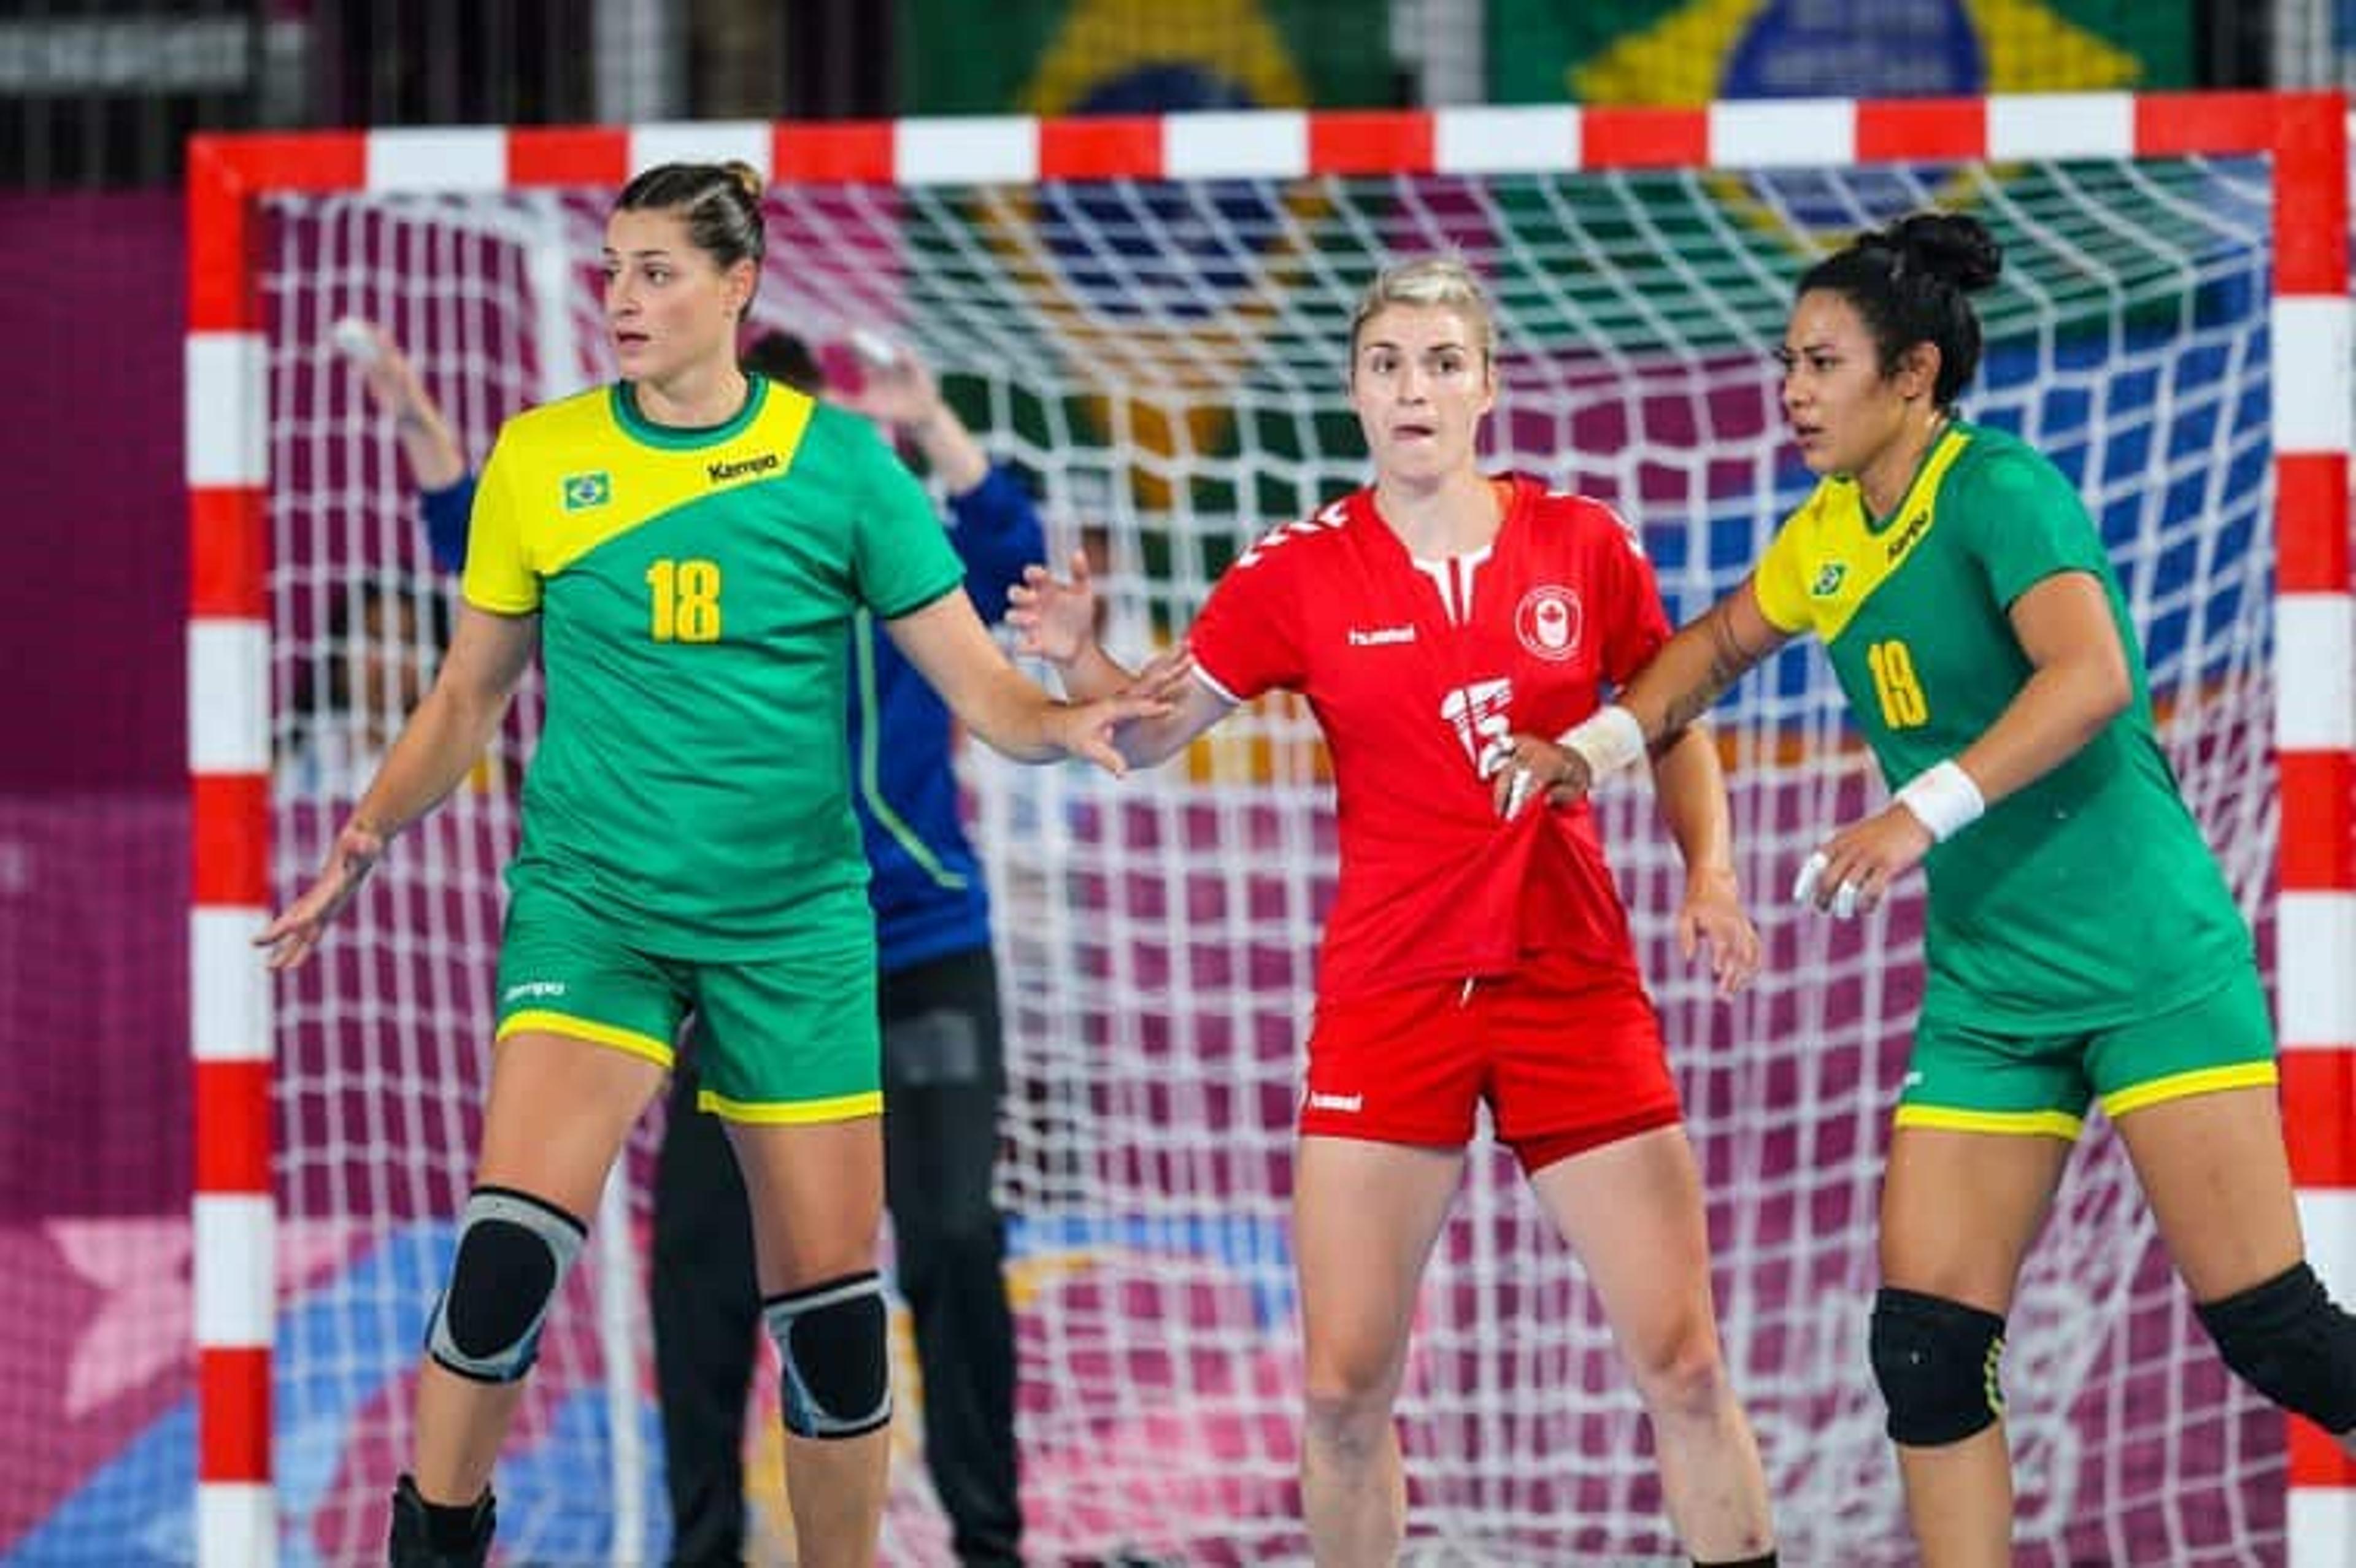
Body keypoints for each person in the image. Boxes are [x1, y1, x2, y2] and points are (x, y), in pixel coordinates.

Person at [256, 159, 1172, 1568]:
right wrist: (365, 839)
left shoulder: (843, 467)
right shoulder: (541, 460)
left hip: (796, 928)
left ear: (736, 290)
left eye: (656, 271)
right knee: (507, 1261)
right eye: (613, 269)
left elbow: (988, 697)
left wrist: (1074, 717)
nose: (622, 296)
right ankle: (432, 1547)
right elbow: (465, 702)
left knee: (834, 1317)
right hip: (598, 910)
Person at [1508, 210, 2356, 1567]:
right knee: (1926, 1349)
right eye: (1786, 360)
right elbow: (1714, 649)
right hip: (1990, 987)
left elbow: (2091, 680)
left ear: (1912, 376)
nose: (1791, 389)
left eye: (1822, 362)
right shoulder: (1827, 533)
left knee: (2274, 1332)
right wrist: (1597, 750)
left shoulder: (2002, 489)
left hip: (2145, 958)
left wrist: (1918, 813)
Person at [1006, 255, 1779, 1567]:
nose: (1412, 388)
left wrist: (1712, 872)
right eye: (1384, 364)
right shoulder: (1294, 573)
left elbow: (1669, 718)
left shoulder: (1581, 544)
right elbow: (1141, 735)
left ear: (1487, 385)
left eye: (1438, 363)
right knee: (1343, 1394)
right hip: (1390, 1000)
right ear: (1357, 393)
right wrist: (1081, 657)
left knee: (1686, 1368)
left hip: (1571, 986)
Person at [651, 327, 1036, 1567]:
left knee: (951, 1239)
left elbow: (1014, 557)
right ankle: (705, 1547)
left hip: (918, 955)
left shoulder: (900, 560)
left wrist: (934, 426)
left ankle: (989, 1544)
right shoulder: (679, 581)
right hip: (749, 975)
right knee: (702, 1268)